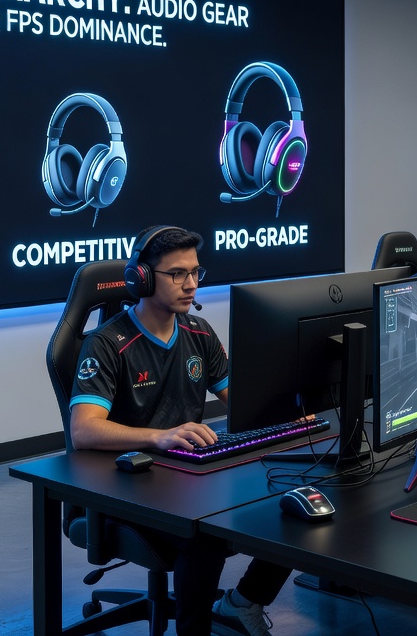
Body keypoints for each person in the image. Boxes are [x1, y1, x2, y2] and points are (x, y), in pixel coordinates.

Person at [69, 225, 290, 636]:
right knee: (204, 537)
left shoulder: (198, 333)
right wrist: (158, 436)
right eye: (177, 274)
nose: (191, 285)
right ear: (143, 278)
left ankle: (243, 602)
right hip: (125, 486)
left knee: (293, 498)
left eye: (195, 272)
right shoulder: (106, 342)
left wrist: (294, 405)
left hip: (187, 475)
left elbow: (241, 401)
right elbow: (84, 430)